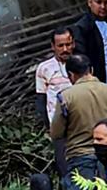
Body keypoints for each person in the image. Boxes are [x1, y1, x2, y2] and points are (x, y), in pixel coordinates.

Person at [51, 54, 107, 190]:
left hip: (80, 157)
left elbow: (56, 133)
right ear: (91, 70)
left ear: (70, 75)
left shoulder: (65, 97)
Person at [35, 27, 75, 177]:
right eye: (60, 46)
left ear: (74, 44)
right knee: (64, 168)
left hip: (81, 124)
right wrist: (47, 127)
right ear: (53, 46)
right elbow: (41, 100)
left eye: (68, 44)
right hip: (59, 127)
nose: (65, 49)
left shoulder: (81, 63)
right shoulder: (44, 68)